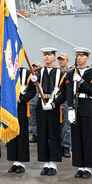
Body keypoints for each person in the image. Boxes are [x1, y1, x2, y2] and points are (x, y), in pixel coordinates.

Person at [54, 48, 92, 178]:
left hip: (86, 107)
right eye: (77, 56)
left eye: (82, 56)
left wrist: (81, 81)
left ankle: (88, 167)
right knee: (77, 138)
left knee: (88, 138)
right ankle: (80, 167)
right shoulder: (70, 74)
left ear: (87, 58)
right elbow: (65, 92)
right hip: (74, 107)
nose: (79, 58)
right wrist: (69, 108)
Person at [33, 47, 64, 176]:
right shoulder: (38, 72)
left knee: (54, 135)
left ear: (54, 58)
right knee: (42, 135)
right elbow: (33, 81)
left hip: (54, 106)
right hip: (41, 105)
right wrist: (32, 80)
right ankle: (45, 163)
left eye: (49, 55)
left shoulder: (61, 73)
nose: (46, 57)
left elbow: (63, 94)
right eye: (45, 55)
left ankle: (54, 164)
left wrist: (54, 104)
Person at [6, 66, 37, 173]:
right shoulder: (8, 71)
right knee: (12, 132)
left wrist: (21, 99)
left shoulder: (26, 73)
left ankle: (22, 163)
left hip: (21, 106)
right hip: (10, 106)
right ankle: (14, 161)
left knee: (22, 133)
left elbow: (32, 91)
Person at [57, 53, 72, 158]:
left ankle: (66, 147)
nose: (61, 61)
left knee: (67, 126)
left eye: (63, 59)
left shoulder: (70, 74)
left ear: (67, 61)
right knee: (57, 126)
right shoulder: (56, 73)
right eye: (59, 59)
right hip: (57, 103)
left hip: (67, 103)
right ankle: (58, 146)